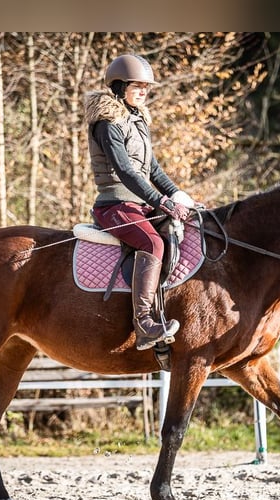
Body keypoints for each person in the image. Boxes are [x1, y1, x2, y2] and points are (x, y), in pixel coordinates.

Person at [84, 54, 194, 351]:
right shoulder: (107, 122)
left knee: (177, 234)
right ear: (120, 86)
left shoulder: (137, 120)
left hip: (141, 204)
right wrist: (162, 201)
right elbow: (125, 170)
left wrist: (179, 196)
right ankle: (144, 323)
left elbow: (153, 170)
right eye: (138, 86)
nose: (144, 91)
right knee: (152, 244)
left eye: (147, 86)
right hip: (115, 205)